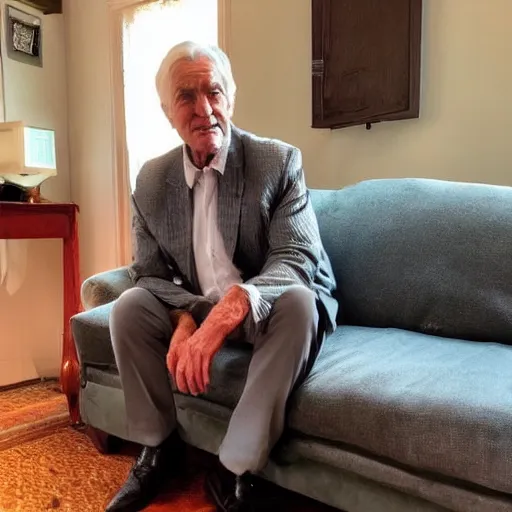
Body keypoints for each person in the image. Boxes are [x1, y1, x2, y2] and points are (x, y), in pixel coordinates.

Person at [106, 41, 338, 512]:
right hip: (200, 304)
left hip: (267, 306)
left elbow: (296, 258)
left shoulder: (277, 162)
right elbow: (148, 273)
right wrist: (187, 319)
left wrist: (228, 310)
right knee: (128, 306)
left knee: (298, 302)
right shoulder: (151, 180)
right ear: (167, 111)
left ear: (230, 97)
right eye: (186, 96)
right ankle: (158, 449)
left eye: (214, 91)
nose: (204, 109)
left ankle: (235, 469)